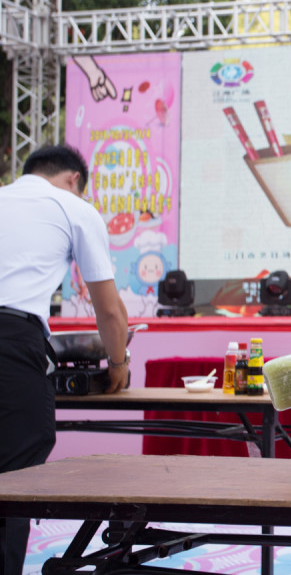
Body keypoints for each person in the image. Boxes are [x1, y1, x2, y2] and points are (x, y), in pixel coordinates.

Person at [0, 144, 130, 575]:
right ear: (74, 178)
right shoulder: (73, 207)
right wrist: (117, 363)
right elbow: (109, 311)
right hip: (12, 343)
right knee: (12, 479)